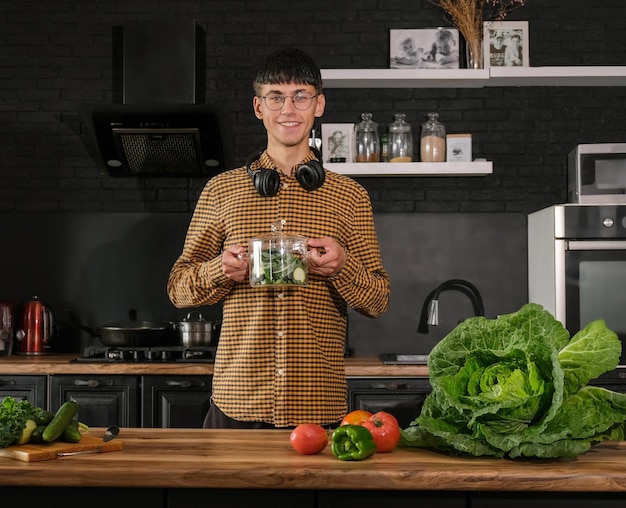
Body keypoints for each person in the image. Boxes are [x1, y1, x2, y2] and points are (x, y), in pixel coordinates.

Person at [167, 48, 390, 429]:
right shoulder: (221, 190)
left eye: (301, 96)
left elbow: (378, 300)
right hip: (237, 400)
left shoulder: (350, 196)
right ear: (259, 107)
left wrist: (343, 267)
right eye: (276, 97)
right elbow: (178, 288)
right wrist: (220, 270)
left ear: (319, 105)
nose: (289, 109)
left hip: (318, 405)